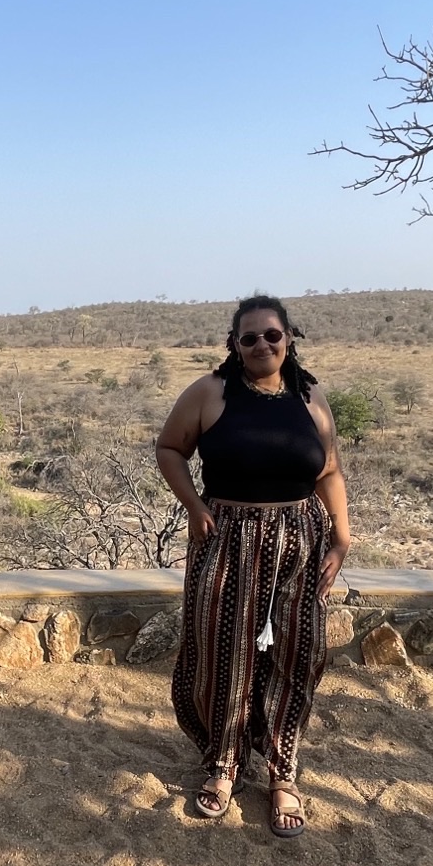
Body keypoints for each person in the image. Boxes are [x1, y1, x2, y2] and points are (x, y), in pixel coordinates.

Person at [154, 294, 351, 837]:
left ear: (290, 337)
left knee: (298, 651)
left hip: (302, 542)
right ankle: (223, 762)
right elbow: (169, 448)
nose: (262, 345)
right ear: (233, 345)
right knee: (223, 651)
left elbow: (329, 471)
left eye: (272, 335)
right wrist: (193, 506)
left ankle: (282, 770)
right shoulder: (210, 393)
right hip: (227, 537)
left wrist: (342, 538)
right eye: (249, 337)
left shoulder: (310, 396)